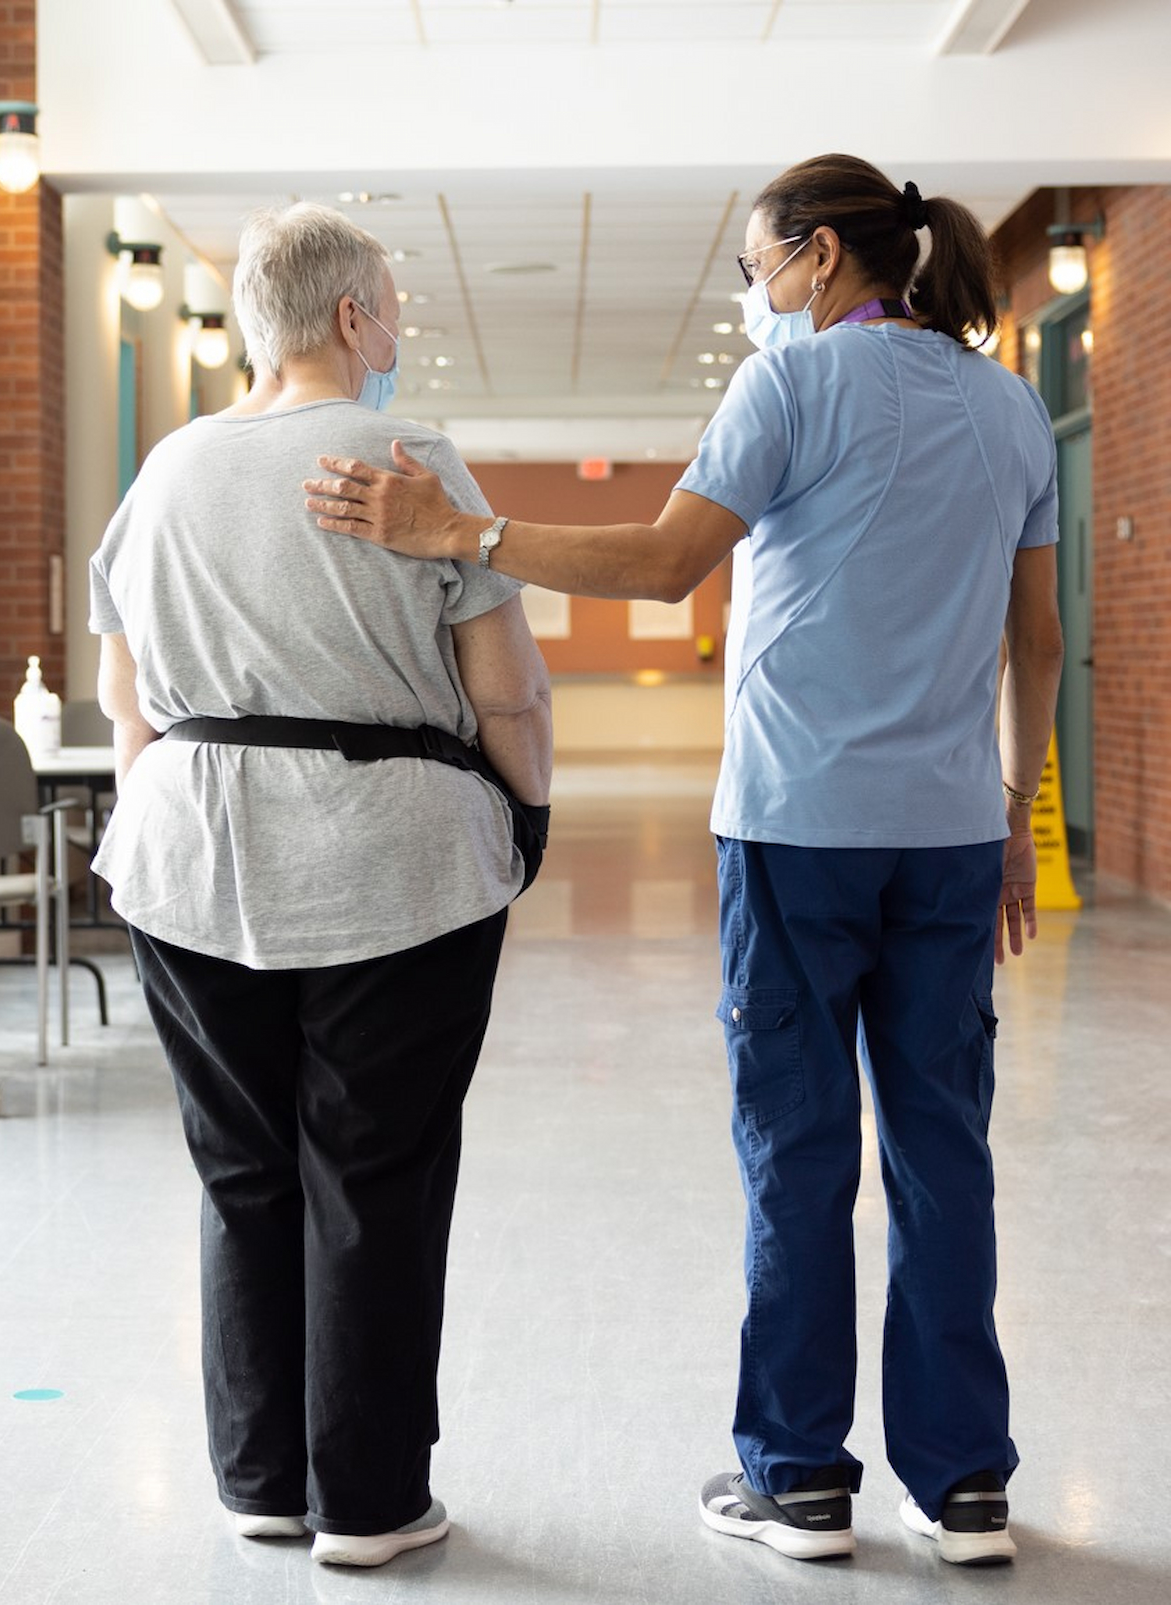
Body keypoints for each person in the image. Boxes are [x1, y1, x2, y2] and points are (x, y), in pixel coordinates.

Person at [302, 154, 1064, 1568]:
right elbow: (1039, 642)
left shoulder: (788, 387)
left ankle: (799, 1480)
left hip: (796, 831)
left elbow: (664, 565)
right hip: (954, 834)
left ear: (822, 259)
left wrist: (455, 529)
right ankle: (964, 1486)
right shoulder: (1014, 404)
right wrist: (1017, 810)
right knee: (944, 1153)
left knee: (798, 1155)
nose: (754, 293)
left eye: (758, 265)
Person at [88, 202, 552, 1568]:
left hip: (184, 853)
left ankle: (259, 1480)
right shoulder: (406, 454)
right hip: (392, 855)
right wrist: (527, 818)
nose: (397, 332)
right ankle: (369, 1498)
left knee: (242, 1171)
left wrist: (175, 821)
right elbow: (508, 688)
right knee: (376, 1171)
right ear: (353, 318)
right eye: (392, 309)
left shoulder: (163, 471)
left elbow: (127, 702)